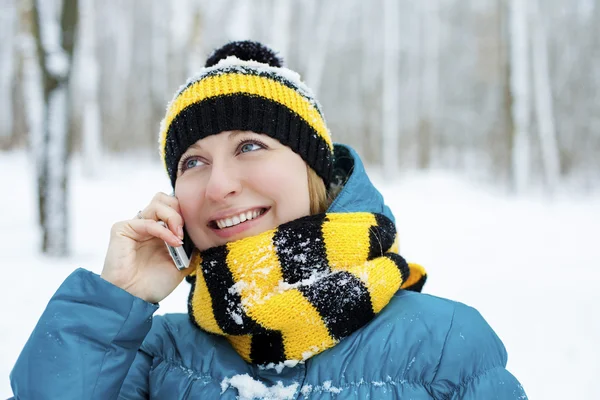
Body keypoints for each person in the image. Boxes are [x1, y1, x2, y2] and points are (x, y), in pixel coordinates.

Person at [10, 41, 527, 399]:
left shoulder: (444, 344)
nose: (218, 186)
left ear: (312, 171)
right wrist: (116, 298)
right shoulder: (149, 354)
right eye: (193, 162)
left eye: (251, 146)